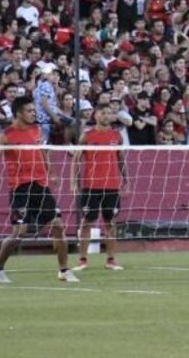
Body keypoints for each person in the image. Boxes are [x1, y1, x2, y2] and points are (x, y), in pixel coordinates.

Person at [0, 96, 77, 283]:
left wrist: (52, 172)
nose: (33, 113)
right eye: (29, 110)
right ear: (18, 113)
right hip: (20, 188)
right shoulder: (7, 134)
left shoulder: (37, 130)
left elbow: (43, 152)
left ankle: (64, 270)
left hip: (40, 185)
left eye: (34, 110)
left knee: (58, 225)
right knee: (19, 231)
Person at [70, 104, 128, 271]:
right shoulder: (87, 136)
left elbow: (121, 159)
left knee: (110, 223)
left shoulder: (117, 136)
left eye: (109, 113)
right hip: (91, 186)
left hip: (111, 186)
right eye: (103, 113)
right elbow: (76, 159)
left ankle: (110, 260)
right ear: (96, 115)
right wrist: (73, 182)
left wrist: (126, 180)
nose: (106, 116)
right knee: (87, 223)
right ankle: (82, 260)